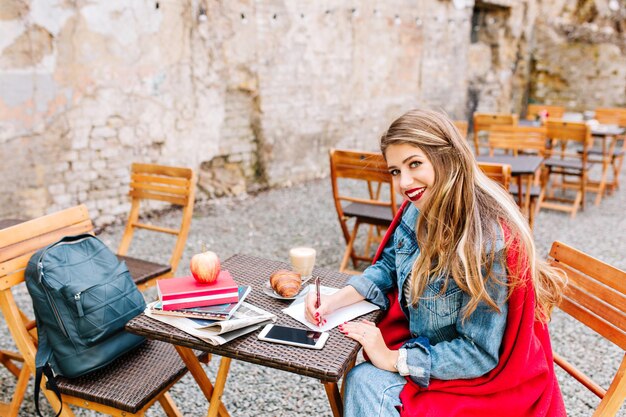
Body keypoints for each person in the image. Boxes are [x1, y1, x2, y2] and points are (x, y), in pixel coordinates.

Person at [305, 109, 567, 416]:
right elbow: (389, 265)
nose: (404, 182)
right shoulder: (418, 207)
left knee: (363, 380)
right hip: (430, 349)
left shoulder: (487, 243)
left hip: (481, 383)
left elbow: (480, 353)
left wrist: (394, 359)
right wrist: (336, 301)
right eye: (395, 171)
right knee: (359, 376)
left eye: (414, 164)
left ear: (448, 158)